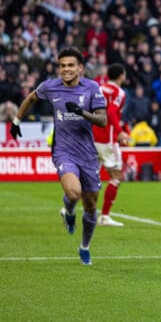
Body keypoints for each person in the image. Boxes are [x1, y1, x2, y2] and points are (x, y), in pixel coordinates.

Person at [9, 47, 107, 265]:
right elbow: (30, 98)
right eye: (62, 66)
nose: (66, 69)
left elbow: (102, 120)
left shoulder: (92, 88)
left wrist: (82, 112)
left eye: (70, 65)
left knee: (91, 206)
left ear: (80, 68)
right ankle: (69, 210)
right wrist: (16, 121)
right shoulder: (50, 86)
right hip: (63, 151)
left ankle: (84, 246)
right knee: (74, 192)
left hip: (88, 154)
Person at [92, 63, 129, 227]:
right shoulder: (119, 92)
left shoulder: (99, 89)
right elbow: (112, 112)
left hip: (92, 137)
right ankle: (105, 216)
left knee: (90, 177)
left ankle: (68, 208)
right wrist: (120, 131)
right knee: (116, 176)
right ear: (121, 75)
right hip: (107, 139)